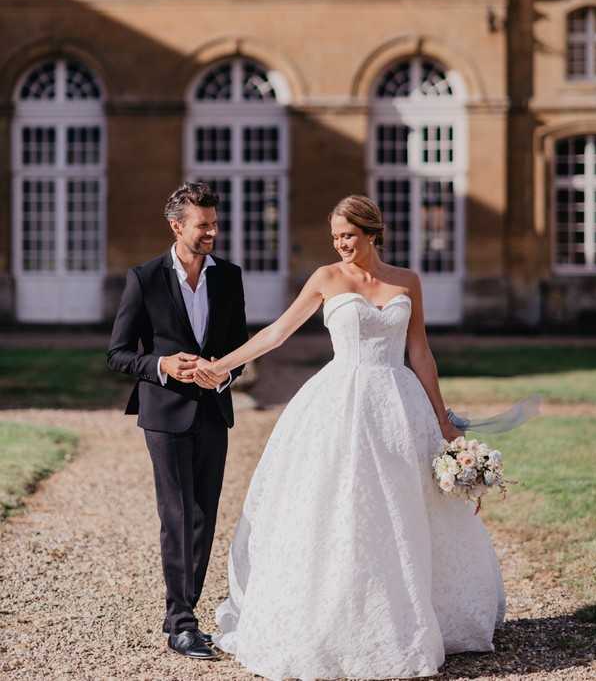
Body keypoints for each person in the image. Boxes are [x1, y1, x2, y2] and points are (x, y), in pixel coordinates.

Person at [194, 194, 506, 680]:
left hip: (400, 404)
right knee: (344, 505)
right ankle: (338, 618)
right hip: (340, 402)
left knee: (405, 506)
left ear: (372, 233)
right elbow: (277, 332)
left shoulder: (407, 281)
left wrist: (443, 420)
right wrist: (222, 366)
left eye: (349, 236)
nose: (341, 244)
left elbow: (420, 352)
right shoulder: (325, 278)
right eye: (336, 236)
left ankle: (418, 614)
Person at [106, 182, 247, 660]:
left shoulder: (229, 277)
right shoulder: (144, 278)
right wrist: (163, 367)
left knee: (204, 514)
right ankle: (181, 622)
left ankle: (184, 612)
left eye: (214, 223)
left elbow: (239, 350)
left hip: (213, 409)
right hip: (164, 413)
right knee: (177, 513)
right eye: (203, 224)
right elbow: (119, 354)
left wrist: (223, 373)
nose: (212, 231)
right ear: (177, 226)